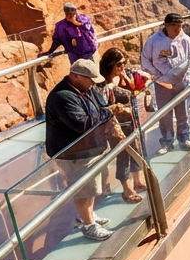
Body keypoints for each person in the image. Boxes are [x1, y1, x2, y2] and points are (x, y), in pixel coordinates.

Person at [44, 58, 114, 241]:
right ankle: (88, 225)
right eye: (89, 79)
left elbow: (101, 105)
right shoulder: (62, 97)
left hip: (88, 149)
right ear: (75, 76)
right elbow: (82, 123)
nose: (92, 84)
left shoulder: (85, 89)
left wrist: (104, 110)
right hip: (72, 153)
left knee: (90, 186)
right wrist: (106, 113)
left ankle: (88, 215)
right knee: (83, 188)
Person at [140, 13, 190, 154]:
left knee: (182, 112)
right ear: (166, 25)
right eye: (174, 25)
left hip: (181, 83)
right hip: (162, 84)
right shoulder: (153, 41)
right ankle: (167, 142)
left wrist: (187, 75)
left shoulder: (186, 41)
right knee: (165, 114)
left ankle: (184, 138)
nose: (177, 28)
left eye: (180, 25)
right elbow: (145, 59)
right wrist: (157, 76)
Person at [98, 47, 147, 203]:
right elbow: (104, 105)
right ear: (109, 64)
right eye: (118, 64)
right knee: (123, 155)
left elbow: (133, 89)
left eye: (123, 63)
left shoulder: (122, 77)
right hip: (115, 125)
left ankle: (137, 181)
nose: (122, 67)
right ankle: (127, 190)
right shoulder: (101, 83)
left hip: (130, 121)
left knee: (136, 150)